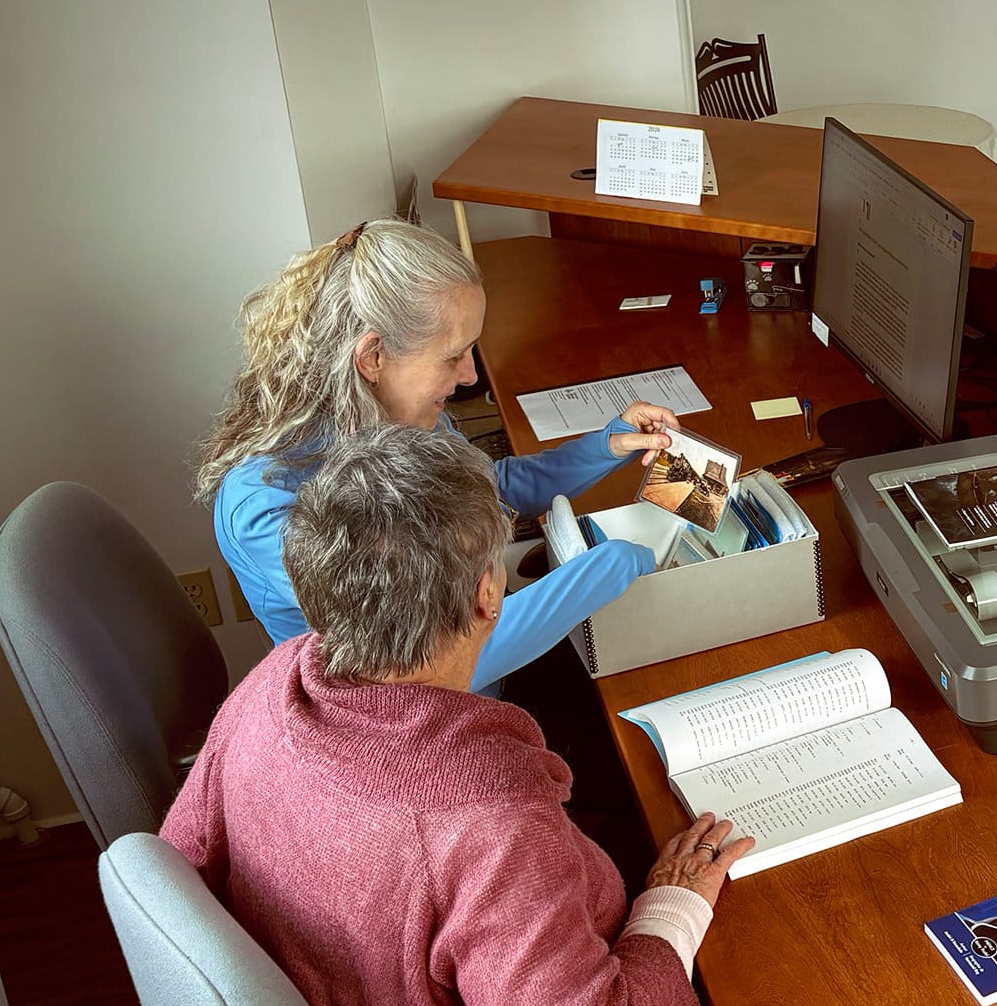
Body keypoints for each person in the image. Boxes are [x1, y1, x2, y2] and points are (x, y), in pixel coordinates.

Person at [162, 423, 756, 1006]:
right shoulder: (483, 823)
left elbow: (179, 869)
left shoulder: (270, 685)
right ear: (489, 596)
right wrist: (671, 910)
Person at [195, 216, 671, 694]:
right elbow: (434, 659)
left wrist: (607, 446)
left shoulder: (399, 412)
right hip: (407, 734)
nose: (469, 376)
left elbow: (489, 488)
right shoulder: (264, 505)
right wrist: (610, 567)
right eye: (453, 355)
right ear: (373, 357)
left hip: (488, 669)